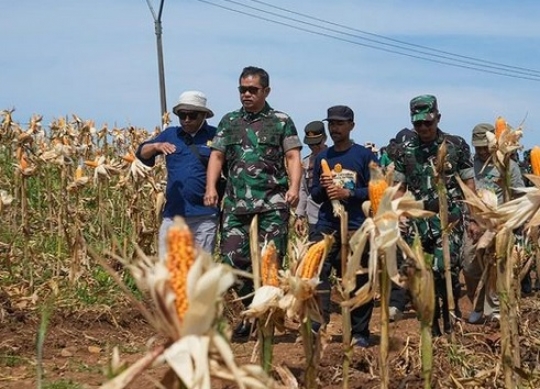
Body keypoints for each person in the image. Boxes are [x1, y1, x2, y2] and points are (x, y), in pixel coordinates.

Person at [204, 66, 302, 337]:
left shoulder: (281, 121)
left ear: (266, 91)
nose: (246, 94)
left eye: (252, 90)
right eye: (242, 89)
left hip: (272, 203)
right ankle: (251, 310)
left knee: (270, 264)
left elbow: (293, 157)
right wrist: (211, 187)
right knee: (231, 262)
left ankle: (266, 319)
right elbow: (217, 157)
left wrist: (294, 188)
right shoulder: (229, 121)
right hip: (236, 205)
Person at [391, 95, 479, 336]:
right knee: (420, 274)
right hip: (419, 222)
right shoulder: (405, 151)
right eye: (418, 124)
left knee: (446, 270)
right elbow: (398, 188)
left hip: (449, 220)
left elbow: (468, 184)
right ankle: (431, 325)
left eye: (428, 123)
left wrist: (474, 219)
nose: (423, 128)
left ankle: (450, 317)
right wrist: (396, 216)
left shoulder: (456, 145)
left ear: (438, 118)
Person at [310, 105, 378, 347]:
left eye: (340, 124)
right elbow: (315, 196)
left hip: (357, 225)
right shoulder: (322, 157)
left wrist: (347, 192)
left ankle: (359, 332)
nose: (334, 128)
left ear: (351, 126)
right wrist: (323, 187)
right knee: (317, 273)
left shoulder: (364, 156)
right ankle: (318, 323)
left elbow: (376, 190)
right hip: (327, 223)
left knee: (358, 277)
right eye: (331, 124)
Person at [136, 90, 219, 256]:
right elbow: (141, 152)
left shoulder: (216, 135)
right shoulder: (170, 134)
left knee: (199, 272)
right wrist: (155, 146)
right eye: (182, 115)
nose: (186, 120)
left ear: (203, 115)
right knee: (169, 269)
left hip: (204, 216)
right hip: (173, 216)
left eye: (192, 115)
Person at [463, 123, 525, 323]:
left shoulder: (509, 166)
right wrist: (472, 220)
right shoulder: (470, 166)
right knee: (470, 267)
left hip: (499, 225)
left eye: (485, 147)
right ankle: (478, 306)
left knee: (497, 268)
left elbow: (518, 194)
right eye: (478, 147)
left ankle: (495, 309)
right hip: (475, 224)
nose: (481, 151)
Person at [294, 121, 328, 240]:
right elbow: (303, 190)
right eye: (310, 144)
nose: (313, 147)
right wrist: (299, 215)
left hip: (331, 216)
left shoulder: (334, 158)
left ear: (324, 138)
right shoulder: (307, 162)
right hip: (314, 216)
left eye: (316, 144)